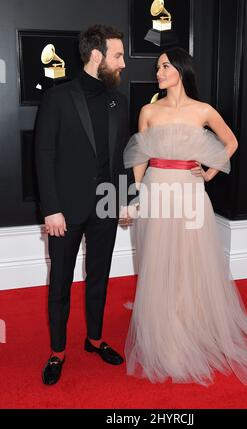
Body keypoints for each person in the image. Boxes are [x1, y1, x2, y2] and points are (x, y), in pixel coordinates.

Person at [123, 47, 247, 385]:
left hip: (190, 193)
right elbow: (139, 154)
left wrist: (209, 174)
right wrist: (139, 194)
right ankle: (163, 332)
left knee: (188, 262)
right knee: (159, 259)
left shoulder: (203, 110)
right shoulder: (148, 110)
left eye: (165, 66)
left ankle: (188, 328)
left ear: (181, 69)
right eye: (157, 67)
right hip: (157, 191)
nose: (159, 71)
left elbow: (231, 142)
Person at [35, 24, 135, 385]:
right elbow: (43, 155)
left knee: (99, 278)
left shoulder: (118, 101)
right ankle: (58, 351)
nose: (123, 62)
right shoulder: (58, 97)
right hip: (65, 209)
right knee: (59, 283)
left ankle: (94, 339)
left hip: (106, 206)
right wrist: (50, 208)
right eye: (118, 55)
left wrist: (128, 198)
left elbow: (123, 155)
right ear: (97, 56)